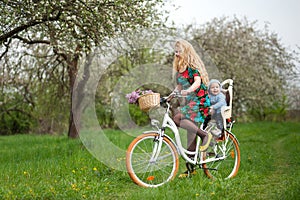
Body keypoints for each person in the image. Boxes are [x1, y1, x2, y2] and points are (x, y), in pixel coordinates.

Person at [172, 39, 212, 177]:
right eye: (175, 51)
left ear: (186, 52)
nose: (176, 54)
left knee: (177, 118)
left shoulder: (192, 68)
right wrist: (170, 96)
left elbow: (197, 82)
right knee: (190, 138)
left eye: (179, 51)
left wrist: (188, 91)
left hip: (199, 102)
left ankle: (205, 135)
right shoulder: (179, 70)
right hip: (191, 103)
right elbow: (178, 87)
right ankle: (191, 170)